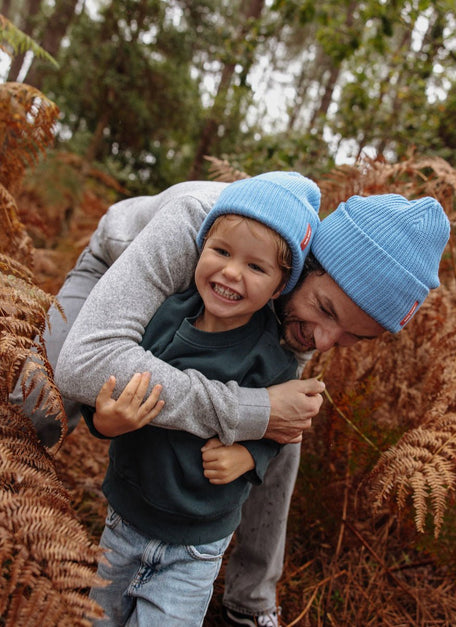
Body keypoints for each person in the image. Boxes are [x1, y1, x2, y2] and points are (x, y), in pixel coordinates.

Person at [15, 178, 449, 627]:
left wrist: (263, 422)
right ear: (308, 267)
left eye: (352, 338)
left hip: (228, 300)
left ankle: (251, 601)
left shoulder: (290, 290)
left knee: (285, 422)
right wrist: (251, 410)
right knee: (33, 404)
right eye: (326, 310)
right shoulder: (197, 225)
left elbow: (274, 416)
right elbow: (86, 362)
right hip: (119, 265)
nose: (323, 340)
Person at [81, 171, 320, 625]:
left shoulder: (270, 358)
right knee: (98, 618)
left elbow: (282, 430)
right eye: (222, 251)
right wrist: (104, 422)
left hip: (196, 547)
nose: (231, 272)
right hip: (124, 522)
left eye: (256, 267)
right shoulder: (165, 319)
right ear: (202, 245)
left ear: (280, 286)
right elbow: (116, 391)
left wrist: (250, 456)